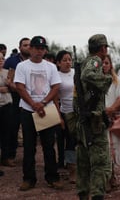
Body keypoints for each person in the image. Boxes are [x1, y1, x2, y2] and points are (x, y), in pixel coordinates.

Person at [14, 35, 63, 191]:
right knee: (29, 147)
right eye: (36, 48)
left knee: (49, 145)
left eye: (42, 49)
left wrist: (42, 103)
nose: (39, 51)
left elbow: (55, 87)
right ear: (31, 49)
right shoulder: (23, 66)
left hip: (46, 110)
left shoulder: (51, 67)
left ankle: (52, 177)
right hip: (28, 111)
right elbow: (19, 87)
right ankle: (28, 178)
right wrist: (33, 104)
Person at [73, 34, 112, 200]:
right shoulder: (94, 61)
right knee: (101, 163)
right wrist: (106, 80)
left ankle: (83, 193)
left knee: (83, 161)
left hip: (83, 118)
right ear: (103, 48)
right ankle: (97, 195)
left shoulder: (83, 62)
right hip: (94, 119)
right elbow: (87, 75)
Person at [3, 37, 30, 167]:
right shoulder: (11, 61)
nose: (27, 47)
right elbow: (8, 81)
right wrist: (18, 89)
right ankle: (10, 155)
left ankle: (29, 156)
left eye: (29, 45)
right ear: (20, 47)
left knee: (30, 128)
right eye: (25, 45)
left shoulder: (34, 61)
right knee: (13, 127)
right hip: (15, 98)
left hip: (31, 99)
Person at [102, 54, 120, 192]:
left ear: (110, 65)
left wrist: (111, 110)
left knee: (113, 147)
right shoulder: (91, 81)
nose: (104, 65)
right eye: (101, 63)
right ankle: (104, 178)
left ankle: (112, 176)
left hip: (113, 119)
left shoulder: (116, 80)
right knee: (102, 149)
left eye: (106, 63)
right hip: (98, 121)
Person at [54, 50, 77, 183]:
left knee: (78, 141)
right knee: (69, 141)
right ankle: (71, 169)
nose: (68, 62)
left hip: (78, 112)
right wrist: (59, 117)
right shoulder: (56, 76)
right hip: (65, 111)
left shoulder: (76, 73)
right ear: (58, 63)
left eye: (69, 59)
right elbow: (55, 99)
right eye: (64, 60)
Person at [0, 52, 13, 177]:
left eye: (2, 58)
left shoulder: (8, 72)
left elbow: (15, 87)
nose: (1, 60)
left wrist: (9, 85)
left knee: (6, 133)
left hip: (7, 105)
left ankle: (5, 157)